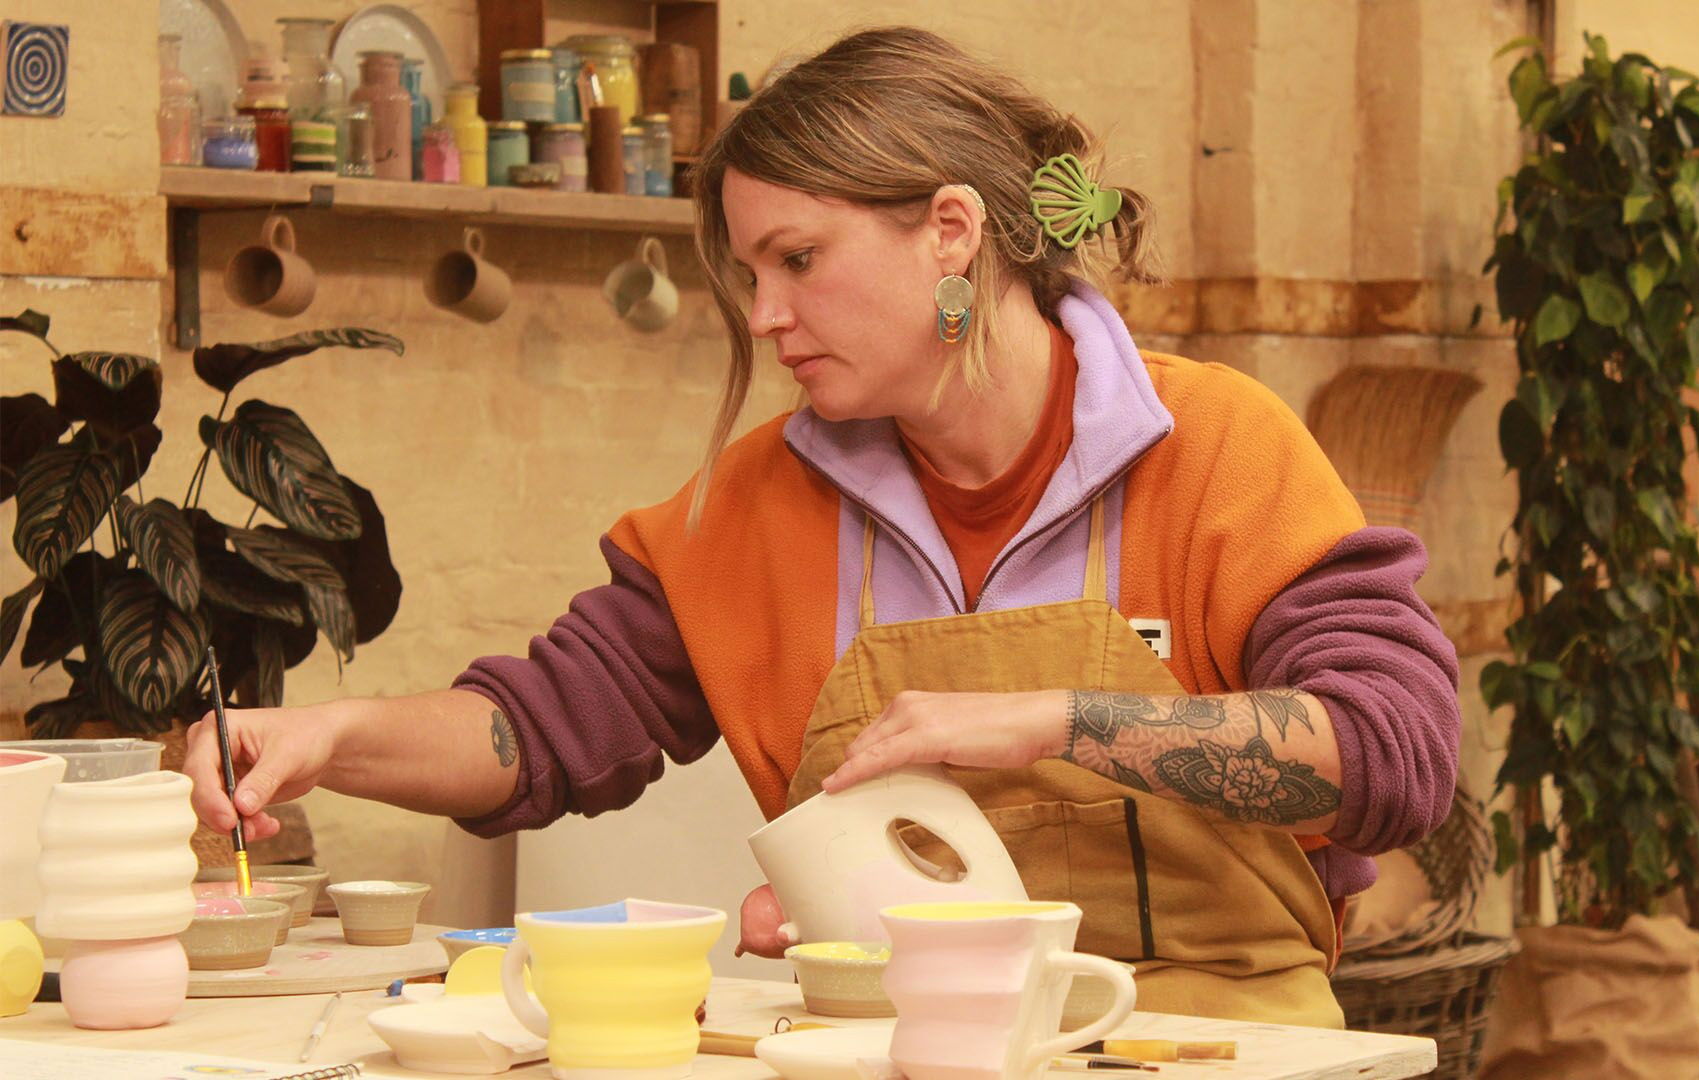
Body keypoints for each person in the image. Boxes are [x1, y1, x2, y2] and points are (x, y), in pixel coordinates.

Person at [183, 26, 1460, 1028]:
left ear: (951, 234)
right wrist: (333, 736)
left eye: (799, 259)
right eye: (748, 274)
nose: (766, 315)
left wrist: (1055, 721)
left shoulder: (1218, 451)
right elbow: (537, 730)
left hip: (1225, 1045)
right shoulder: (751, 509)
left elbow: (1393, 755)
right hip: (902, 1044)